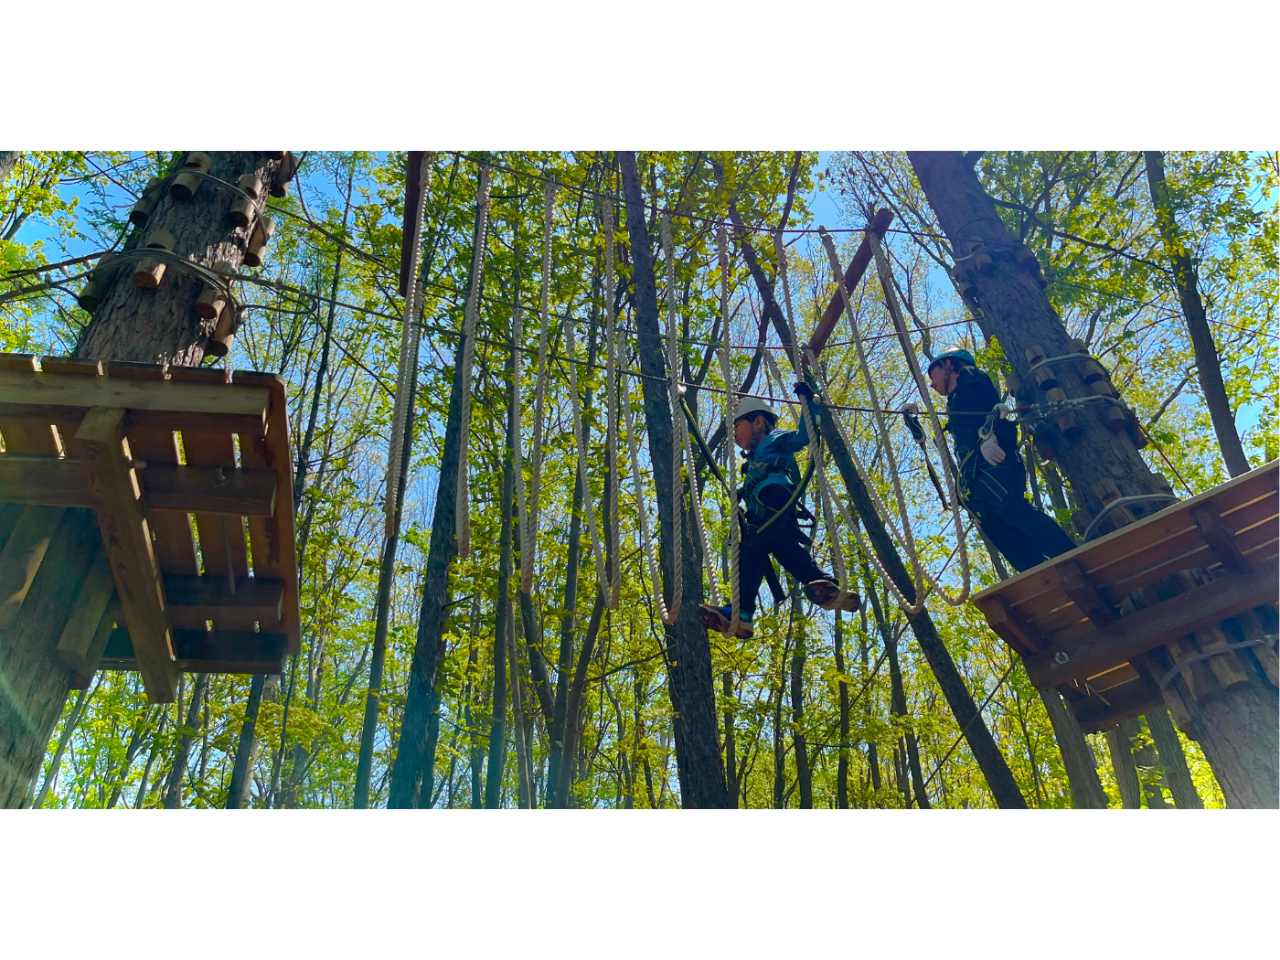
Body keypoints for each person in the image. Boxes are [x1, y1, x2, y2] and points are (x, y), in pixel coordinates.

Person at [700, 388, 859, 640]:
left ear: (758, 422)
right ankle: (744, 613)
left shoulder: (775, 439)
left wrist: (808, 404)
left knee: (765, 547)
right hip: (759, 511)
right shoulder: (753, 458)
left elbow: (804, 436)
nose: (733, 434)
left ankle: (745, 611)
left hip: (775, 498)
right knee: (759, 552)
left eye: (737, 425)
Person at [926, 348, 1077, 573]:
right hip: (976, 469)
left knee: (1012, 510)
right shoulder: (955, 401)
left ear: (948, 365)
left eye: (932, 374)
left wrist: (991, 435)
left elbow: (992, 409)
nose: (932, 384)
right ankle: (1036, 572)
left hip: (995, 459)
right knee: (994, 524)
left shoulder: (970, 376)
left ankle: (1069, 555)